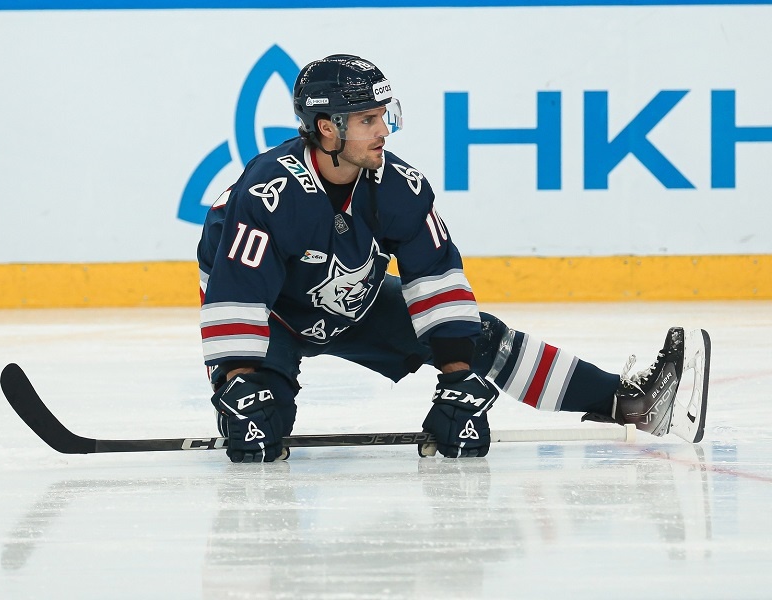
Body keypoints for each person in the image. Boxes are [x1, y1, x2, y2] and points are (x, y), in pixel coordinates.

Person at [197, 54, 711, 463]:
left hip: (349, 300)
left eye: (384, 115)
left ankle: (627, 402)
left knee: (480, 337)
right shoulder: (269, 191)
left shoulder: (399, 187)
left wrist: (457, 378)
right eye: (368, 119)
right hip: (271, 314)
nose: (383, 130)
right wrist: (238, 383)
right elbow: (237, 294)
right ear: (327, 127)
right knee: (259, 430)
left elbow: (437, 282)